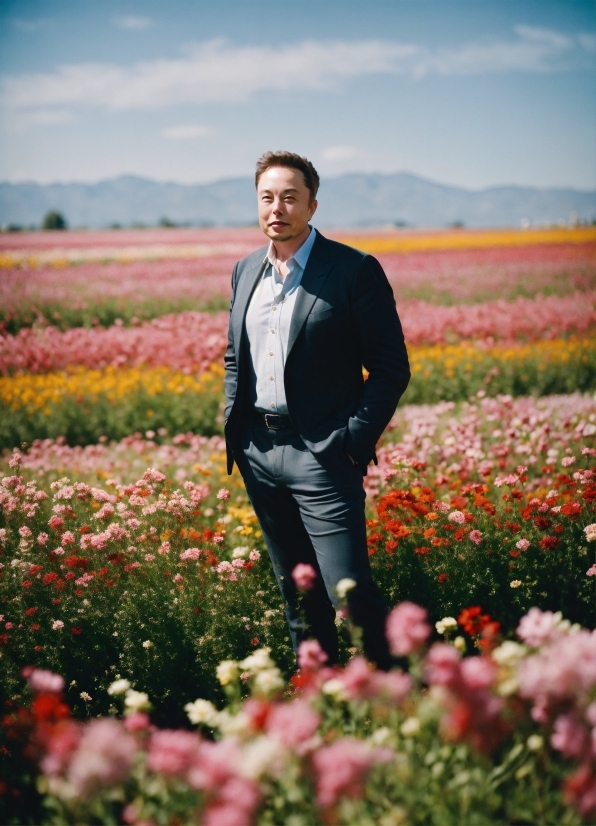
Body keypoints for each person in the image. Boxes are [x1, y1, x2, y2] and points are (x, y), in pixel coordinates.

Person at [224, 150, 410, 669]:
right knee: (298, 597)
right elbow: (235, 356)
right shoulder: (244, 271)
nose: (276, 208)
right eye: (266, 197)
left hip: (324, 455)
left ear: (312, 204)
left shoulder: (352, 270)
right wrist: (237, 429)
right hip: (259, 452)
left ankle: (391, 702)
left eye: (289, 197)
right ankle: (320, 706)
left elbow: (392, 368)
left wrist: (351, 441)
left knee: (349, 595)